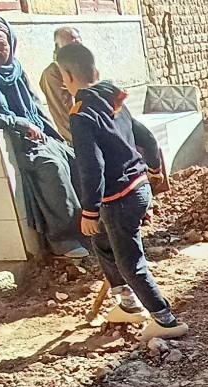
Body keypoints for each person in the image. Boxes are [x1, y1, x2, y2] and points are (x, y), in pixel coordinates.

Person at [55, 43, 188, 340]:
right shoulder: (114, 100)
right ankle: (128, 303)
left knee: (130, 262)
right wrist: (154, 171)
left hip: (117, 199)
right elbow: (147, 139)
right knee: (102, 242)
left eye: (62, 76)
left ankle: (165, 320)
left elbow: (92, 166)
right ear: (95, 70)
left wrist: (90, 210)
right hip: (138, 187)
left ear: (68, 75)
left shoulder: (82, 115)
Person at [0, 16, 89, 259]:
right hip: (13, 141)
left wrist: (56, 137)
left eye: (0, 43)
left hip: (38, 136)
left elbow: (35, 107)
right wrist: (17, 123)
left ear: (11, 43)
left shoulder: (16, 69)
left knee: (77, 158)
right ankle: (62, 238)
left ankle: (87, 228)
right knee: (52, 167)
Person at [38, 26, 82, 143]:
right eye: (69, 43)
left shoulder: (84, 67)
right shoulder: (54, 72)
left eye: (77, 40)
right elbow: (66, 113)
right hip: (79, 136)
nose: (75, 42)